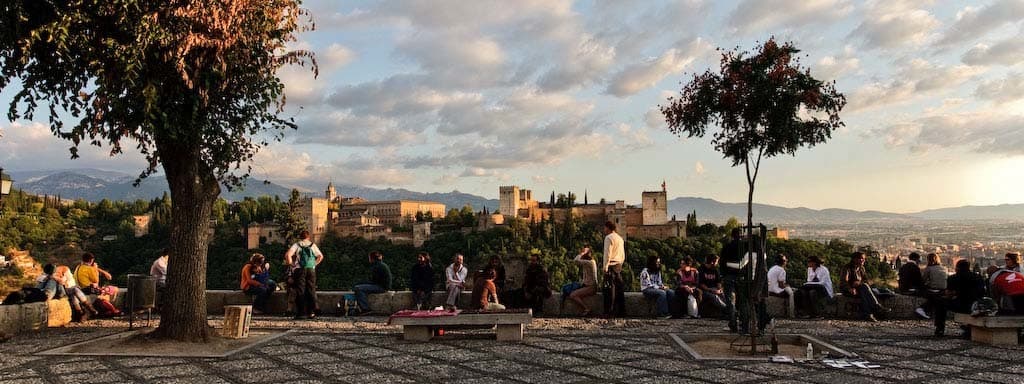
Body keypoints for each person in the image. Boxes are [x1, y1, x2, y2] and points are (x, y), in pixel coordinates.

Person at [934, 260, 985, 337]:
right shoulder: (978, 277)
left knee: (940, 303)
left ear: (957, 268)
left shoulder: (953, 278)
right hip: (975, 305)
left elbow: (949, 294)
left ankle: (940, 328)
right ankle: (968, 328)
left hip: (961, 305)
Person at [284, 230, 324, 320]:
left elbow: (288, 255)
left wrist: (291, 264)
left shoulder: (297, 245)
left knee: (300, 290)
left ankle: (301, 313)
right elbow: (321, 256)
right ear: (308, 237)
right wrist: (314, 264)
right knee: (311, 289)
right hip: (311, 269)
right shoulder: (312, 245)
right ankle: (311, 312)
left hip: (299, 269)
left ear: (300, 237)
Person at [839, 252, 887, 322]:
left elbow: (866, 280)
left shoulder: (861, 268)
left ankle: (868, 314)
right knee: (864, 289)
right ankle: (875, 307)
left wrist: (859, 283)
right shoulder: (847, 268)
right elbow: (843, 282)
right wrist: (850, 288)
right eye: (861, 258)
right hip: (848, 289)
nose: (863, 260)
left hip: (859, 288)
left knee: (864, 290)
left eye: (864, 259)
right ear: (855, 259)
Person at [74, 252, 121, 317]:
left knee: (104, 292)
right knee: (113, 289)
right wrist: (95, 269)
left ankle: (110, 311)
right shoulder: (89, 269)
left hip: (81, 289)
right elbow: (96, 280)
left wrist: (101, 271)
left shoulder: (78, 267)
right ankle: (114, 310)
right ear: (91, 260)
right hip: (89, 290)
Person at [720, 228, 743, 332]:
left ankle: (733, 324)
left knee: (730, 301)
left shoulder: (727, 247)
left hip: (729, 276)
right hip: (742, 277)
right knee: (742, 301)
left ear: (732, 235)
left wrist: (723, 275)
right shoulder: (744, 247)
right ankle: (744, 323)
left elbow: (722, 262)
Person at [602, 221, 626, 317]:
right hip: (619, 265)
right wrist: (620, 263)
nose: (604, 230)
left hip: (611, 265)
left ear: (608, 228)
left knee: (609, 290)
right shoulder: (620, 238)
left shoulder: (608, 238)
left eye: (605, 228)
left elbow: (607, 254)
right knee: (619, 289)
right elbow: (623, 254)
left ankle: (609, 311)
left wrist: (605, 267)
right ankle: (621, 311)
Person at [569, 246, 598, 316]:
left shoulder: (590, 262)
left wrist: (582, 253)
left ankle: (586, 308)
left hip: (591, 287)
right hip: (588, 285)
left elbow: (575, 260)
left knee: (573, 295)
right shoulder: (587, 263)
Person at [917, 253, 947, 320]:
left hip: (933, 290)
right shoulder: (944, 268)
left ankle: (922, 308)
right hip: (943, 291)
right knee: (937, 298)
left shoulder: (929, 268)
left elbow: (923, 281)